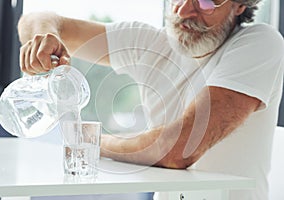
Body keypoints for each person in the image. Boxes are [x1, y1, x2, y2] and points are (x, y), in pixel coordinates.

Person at [17, 0, 284, 199]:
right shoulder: (150, 42)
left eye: (205, 1)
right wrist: (44, 39)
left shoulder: (260, 43)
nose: (184, 11)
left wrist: (90, 142)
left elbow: (180, 148)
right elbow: (33, 20)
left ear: (239, 6)